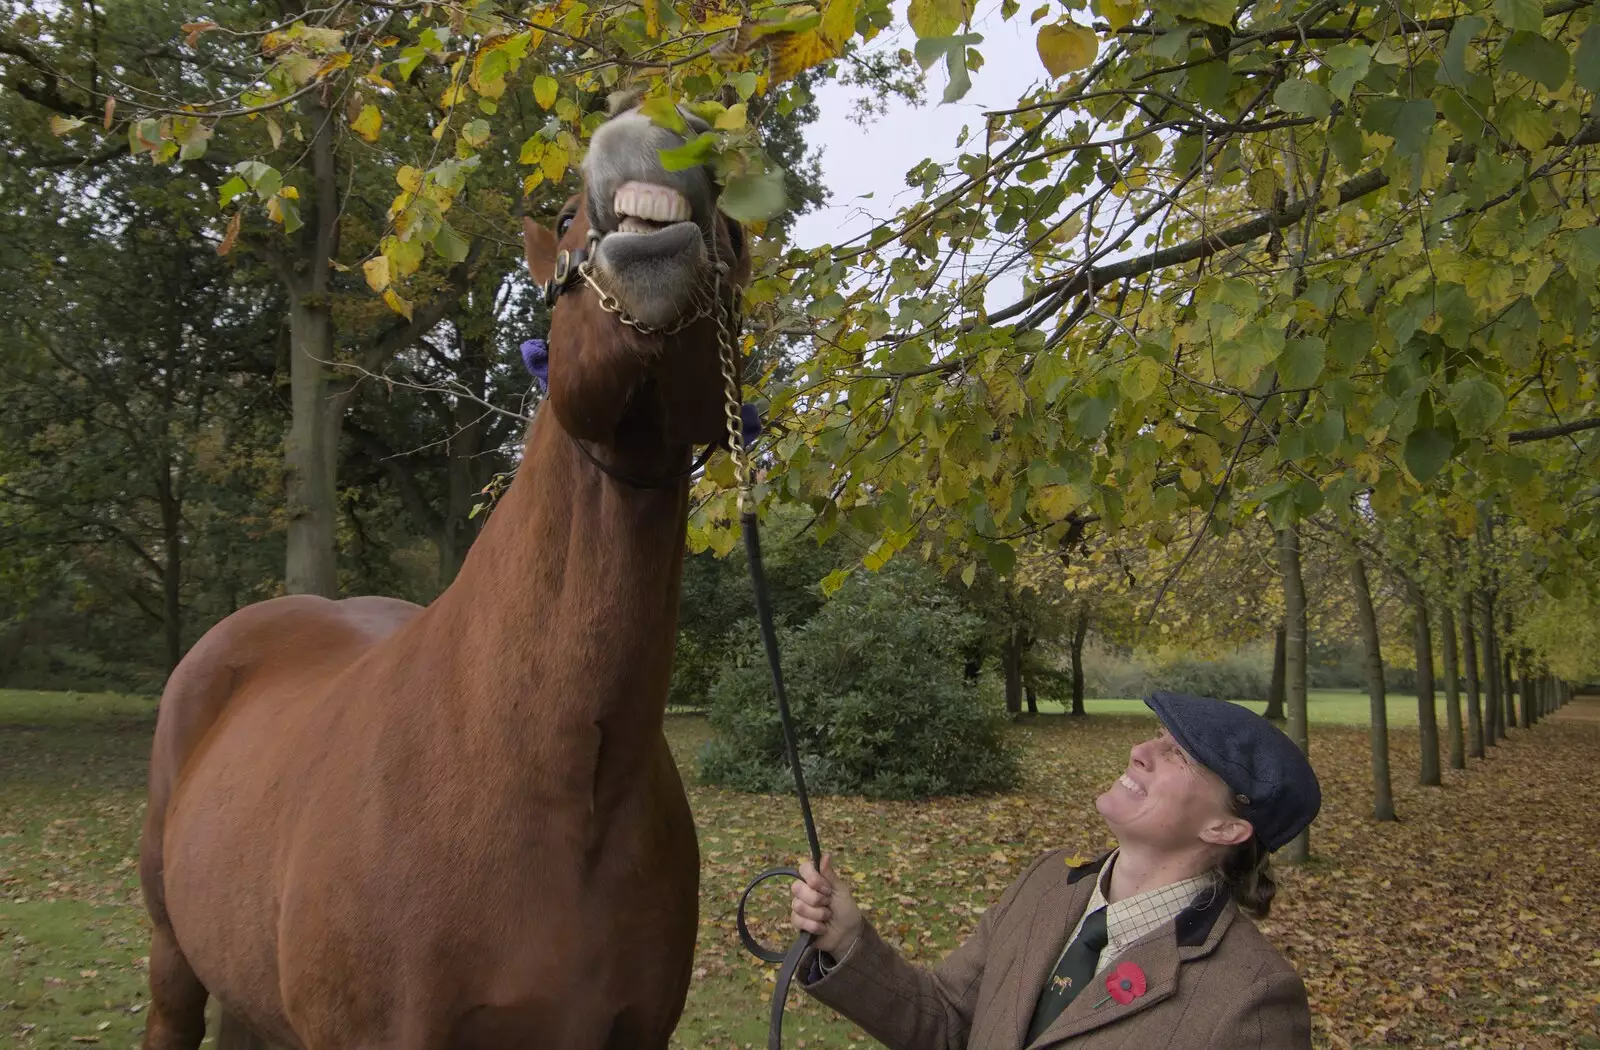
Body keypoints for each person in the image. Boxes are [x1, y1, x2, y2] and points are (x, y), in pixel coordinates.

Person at [789, 690, 1321, 1049]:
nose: (1140, 750)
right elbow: (949, 1022)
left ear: (1225, 829)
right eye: (1156, 735)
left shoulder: (1253, 999)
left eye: (1180, 755)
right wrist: (849, 940)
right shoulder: (1047, 883)